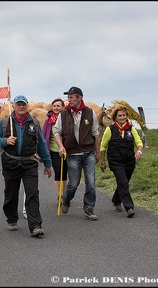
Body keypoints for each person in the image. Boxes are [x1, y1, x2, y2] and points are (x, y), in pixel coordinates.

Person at [0, 95, 52, 238]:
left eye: (23, 104)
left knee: (32, 193)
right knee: (11, 193)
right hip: (11, 162)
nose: (21, 107)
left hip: (29, 162)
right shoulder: (5, 122)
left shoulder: (34, 123)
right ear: (14, 106)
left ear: (27, 106)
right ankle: (12, 218)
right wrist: (6, 141)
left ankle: (35, 225)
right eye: (18, 104)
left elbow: (41, 145)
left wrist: (47, 164)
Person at [53, 86, 100, 221]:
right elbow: (57, 131)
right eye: (68, 97)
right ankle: (66, 199)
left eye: (71, 97)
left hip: (88, 152)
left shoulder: (90, 113)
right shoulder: (63, 114)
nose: (69, 100)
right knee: (73, 183)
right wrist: (61, 146)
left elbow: (96, 134)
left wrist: (97, 152)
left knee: (91, 182)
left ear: (79, 98)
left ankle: (89, 207)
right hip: (72, 153)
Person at [100, 104, 143, 218]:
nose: (122, 117)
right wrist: (103, 162)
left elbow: (139, 143)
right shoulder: (110, 130)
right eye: (120, 116)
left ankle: (116, 199)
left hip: (129, 161)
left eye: (124, 115)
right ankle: (129, 207)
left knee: (124, 182)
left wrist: (139, 151)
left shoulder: (131, 129)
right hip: (115, 161)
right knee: (123, 182)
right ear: (115, 117)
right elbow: (103, 146)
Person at [41, 98, 67, 202]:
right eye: (54, 106)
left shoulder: (67, 119)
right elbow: (44, 136)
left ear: (63, 107)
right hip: (54, 150)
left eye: (58, 106)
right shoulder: (48, 121)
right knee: (58, 171)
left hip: (66, 150)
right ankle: (60, 195)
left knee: (64, 172)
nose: (56, 108)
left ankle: (64, 193)